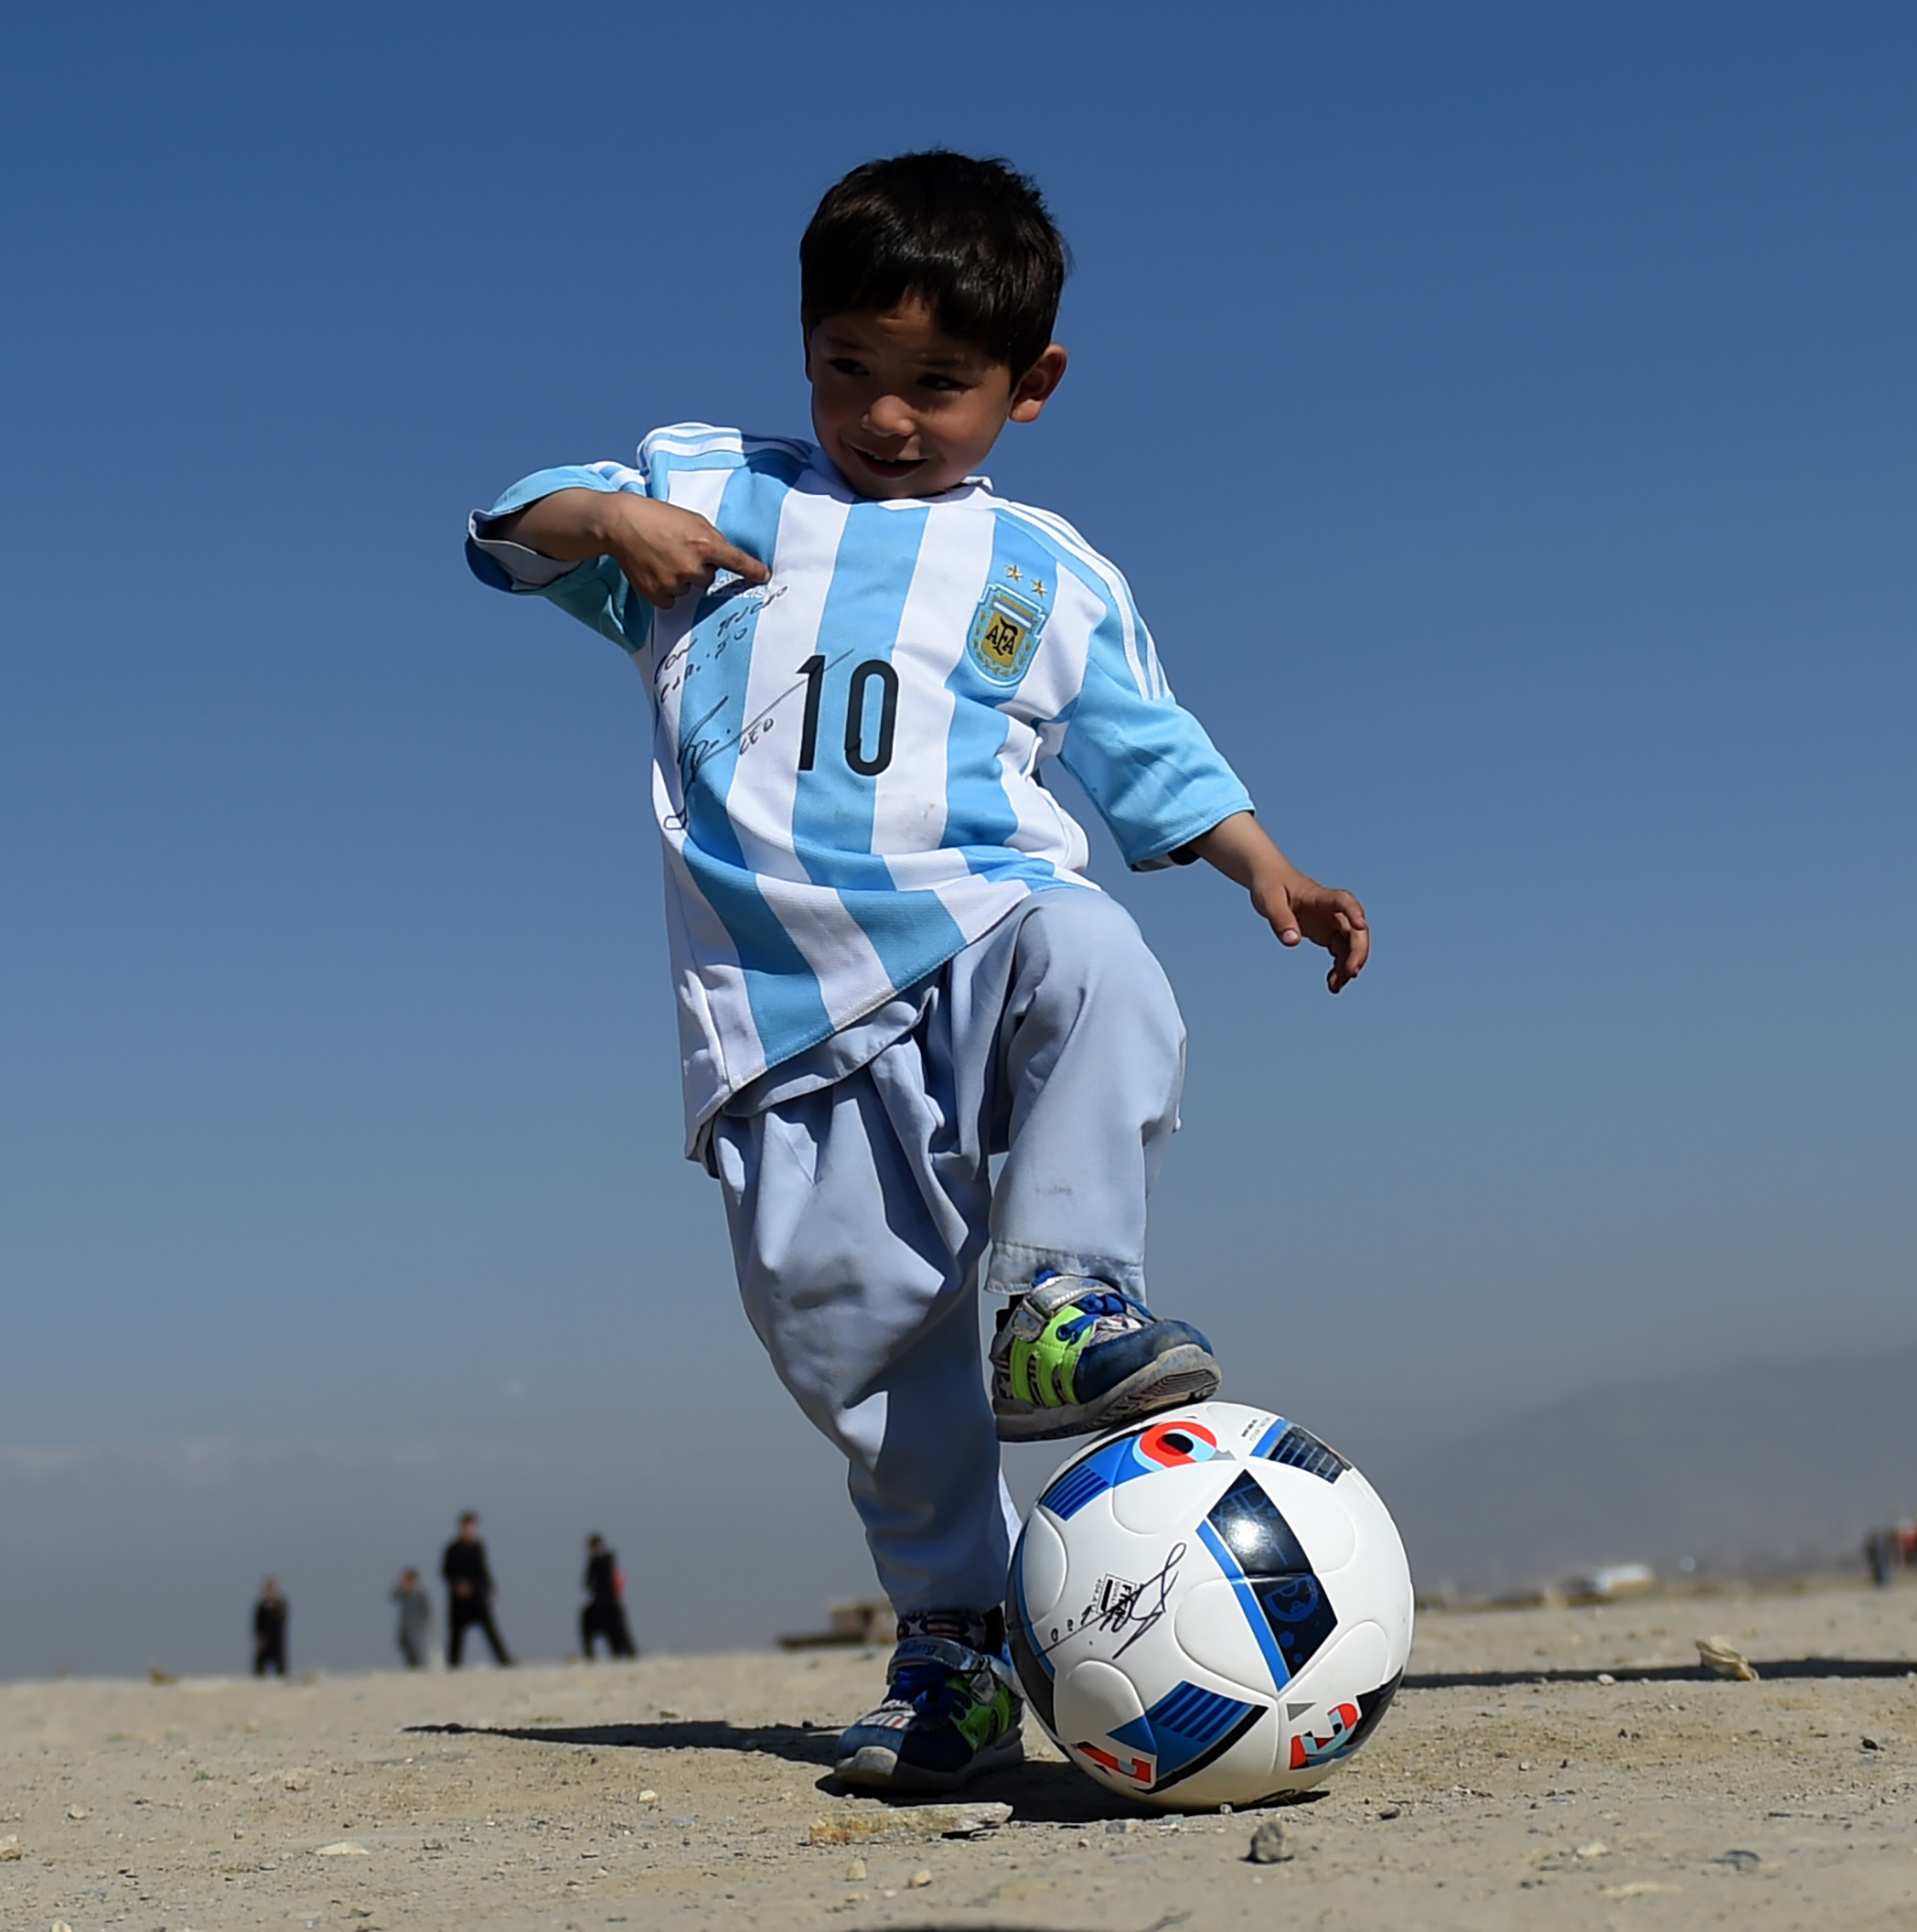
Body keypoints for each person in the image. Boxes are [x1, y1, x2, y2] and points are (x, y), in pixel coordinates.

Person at [464, 152, 1368, 1793]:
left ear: (1034, 387)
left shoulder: (1049, 571)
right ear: (802, 345)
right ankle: (951, 1647)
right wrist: (602, 516)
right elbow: (505, 534)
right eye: (847, 369)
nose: (885, 417)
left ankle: (1062, 1294)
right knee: (869, 1362)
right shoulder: (710, 489)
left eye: (938, 386)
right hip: (776, 1019)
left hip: (981, 925)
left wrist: (1267, 867)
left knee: (1098, 956)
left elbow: (1147, 752)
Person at [441, 1511, 510, 1668]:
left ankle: (505, 1661)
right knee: (456, 1635)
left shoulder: (478, 1547)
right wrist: (458, 1584)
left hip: (477, 1598)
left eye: (472, 1527)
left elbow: (484, 1570)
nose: (469, 1530)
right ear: (460, 1528)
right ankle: (453, 1666)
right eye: (466, 1527)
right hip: (459, 1601)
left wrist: (493, 1589)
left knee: (490, 1629)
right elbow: (445, 1572)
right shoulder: (452, 1549)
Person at [579, 1534, 636, 1660]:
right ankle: (624, 1654)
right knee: (620, 1631)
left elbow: (587, 1583)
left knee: (615, 1631)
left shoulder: (598, 1561)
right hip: (610, 1602)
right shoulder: (609, 1558)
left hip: (605, 1603)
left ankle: (592, 1656)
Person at [389, 1567, 433, 1670]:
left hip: (417, 1625)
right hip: (405, 1624)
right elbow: (392, 1596)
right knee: (403, 1643)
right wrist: (400, 1585)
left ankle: (419, 1666)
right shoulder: (404, 1593)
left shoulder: (420, 1594)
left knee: (416, 1647)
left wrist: (428, 1623)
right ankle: (412, 1665)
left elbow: (427, 1609)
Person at [252, 1577, 290, 1677]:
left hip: (277, 1638)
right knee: (260, 1664)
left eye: (271, 1588)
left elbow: (283, 1618)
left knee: (280, 1663)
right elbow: (257, 1622)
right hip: (264, 1638)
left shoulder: (281, 1603)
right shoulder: (261, 1605)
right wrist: (259, 1637)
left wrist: (273, 1609)